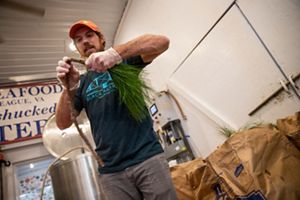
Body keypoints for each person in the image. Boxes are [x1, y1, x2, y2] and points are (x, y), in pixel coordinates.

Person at [55, 20, 178, 200]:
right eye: (79, 40)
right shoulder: (81, 84)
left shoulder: (124, 64)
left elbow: (162, 42)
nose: (85, 41)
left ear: (101, 39)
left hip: (147, 158)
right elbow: (62, 123)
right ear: (77, 48)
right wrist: (69, 87)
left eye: (89, 35)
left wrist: (115, 54)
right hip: (111, 172)